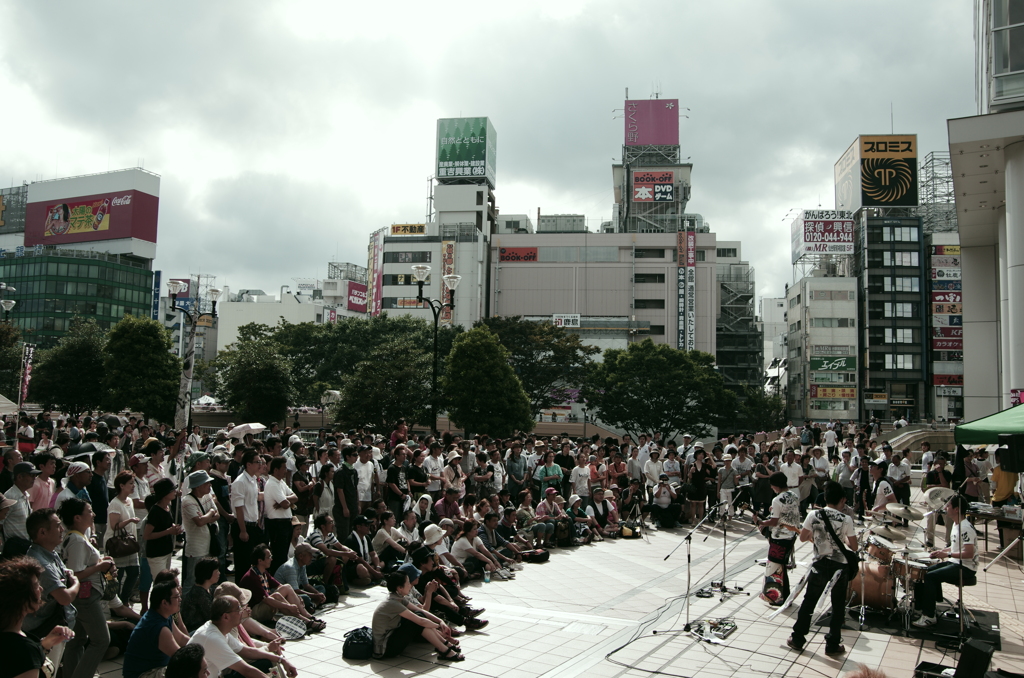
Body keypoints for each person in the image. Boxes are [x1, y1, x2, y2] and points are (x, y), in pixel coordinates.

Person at [787, 481, 856, 657]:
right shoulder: (846, 519)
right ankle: (832, 644)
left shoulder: (814, 515)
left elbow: (802, 538)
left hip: (819, 564)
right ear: (842, 499)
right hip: (840, 567)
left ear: (825, 498)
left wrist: (817, 537)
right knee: (838, 605)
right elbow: (853, 546)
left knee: (809, 601)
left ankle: (798, 638)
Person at [58, 498, 113, 678]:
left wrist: (99, 563)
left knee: (77, 641)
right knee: (101, 640)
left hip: (83, 597)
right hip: (86, 598)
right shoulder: (76, 541)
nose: (93, 514)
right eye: (89, 511)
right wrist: (99, 567)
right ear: (77, 518)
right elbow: (75, 574)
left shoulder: (76, 537)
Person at [0, 557, 75, 678]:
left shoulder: (10, 634)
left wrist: (44, 645)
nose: (41, 589)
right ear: (21, 598)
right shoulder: (24, 651)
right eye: (35, 585)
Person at [188, 595, 296, 678]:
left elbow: (248, 651)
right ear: (226, 616)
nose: (242, 612)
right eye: (238, 609)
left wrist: (282, 659)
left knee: (266, 661)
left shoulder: (219, 630)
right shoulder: (213, 638)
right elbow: (246, 670)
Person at [913, 495, 978, 628]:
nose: (945, 508)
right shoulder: (956, 524)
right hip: (956, 562)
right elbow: (956, 546)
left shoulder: (964, 528)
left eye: (948, 506)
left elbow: (969, 553)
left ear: (956, 509)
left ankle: (929, 616)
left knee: (931, 577)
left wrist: (947, 554)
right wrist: (942, 551)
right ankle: (928, 606)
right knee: (925, 571)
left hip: (966, 567)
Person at [371, 571, 464, 661]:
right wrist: (439, 626)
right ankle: (445, 650)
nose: (410, 586)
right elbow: (420, 621)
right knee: (416, 622)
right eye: (408, 583)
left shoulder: (397, 597)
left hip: (392, 636)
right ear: (400, 588)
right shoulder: (392, 603)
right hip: (385, 648)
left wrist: (441, 621)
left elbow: (421, 610)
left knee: (419, 615)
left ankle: (445, 645)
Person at [239, 543, 323, 631]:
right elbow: (267, 599)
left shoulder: (263, 572)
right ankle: (304, 620)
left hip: (264, 607)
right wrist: (288, 606)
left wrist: (297, 597)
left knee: (286, 588)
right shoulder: (252, 576)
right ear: (260, 561)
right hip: (252, 612)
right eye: (268, 557)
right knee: (277, 596)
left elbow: (282, 586)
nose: (271, 559)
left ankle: (306, 617)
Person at [122, 581, 192, 678]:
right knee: (187, 670)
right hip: (142, 674)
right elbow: (180, 657)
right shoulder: (158, 627)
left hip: (156, 668)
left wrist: (201, 647)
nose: (180, 599)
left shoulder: (164, 615)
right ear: (164, 602)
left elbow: (180, 638)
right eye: (176, 597)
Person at [756, 472, 800, 605]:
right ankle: (785, 596)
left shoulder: (777, 499)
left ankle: (776, 597)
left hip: (779, 537)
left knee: (774, 568)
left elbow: (774, 522)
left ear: (775, 485)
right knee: (781, 566)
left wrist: (761, 523)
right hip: (791, 535)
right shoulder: (794, 495)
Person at [106, 471, 141, 603]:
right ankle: (116, 602)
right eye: (130, 483)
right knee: (118, 575)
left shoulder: (130, 501)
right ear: (121, 485)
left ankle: (124, 598)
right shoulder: (115, 503)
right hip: (117, 544)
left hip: (129, 543)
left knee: (134, 572)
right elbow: (114, 525)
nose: (133, 486)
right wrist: (130, 520)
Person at [262, 458, 296, 574]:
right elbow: (286, 505)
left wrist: (284, 499)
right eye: (284, 468)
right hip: (277, 524)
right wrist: (285, 501)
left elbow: (295, 497)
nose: (285, 471)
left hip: (286, 522)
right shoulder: (272, 484)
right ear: (276, 470)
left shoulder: (281, 482)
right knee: (279, 555)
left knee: (284, 554)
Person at [144, 478, 182, 577]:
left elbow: (166, 525)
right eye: (172, 490)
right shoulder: (155, 511)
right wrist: (168, 531)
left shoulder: (168, 507)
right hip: (157, 553)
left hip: (167, 550)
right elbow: (147, 535)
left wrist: (174, 529)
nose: (175, 492)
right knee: (160, 582)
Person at [274, 543, 326, 612]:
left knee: (321, 588)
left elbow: (306, 584)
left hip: (296, 592)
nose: (312, 557)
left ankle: (313, 605)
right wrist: (314, 596)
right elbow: (295, 591)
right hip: (284, 597)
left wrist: (318, 594)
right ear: (301, 556)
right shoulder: (290, 567)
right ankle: (311, 604)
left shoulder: (303, 565)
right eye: (309, 554)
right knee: (306, 598)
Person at [2, 461, 40, 558]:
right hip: (14, 550)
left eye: (35, 475)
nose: (34, 478)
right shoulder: (11, 497)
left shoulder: (25, 495)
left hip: (25, 546)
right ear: (19, 477)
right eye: (31, 475)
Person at [181, 558, 220, 633]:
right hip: (195, 630)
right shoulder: (198, 593)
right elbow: (212, 616)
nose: (219, 573)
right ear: (208, 573)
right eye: (216, 571)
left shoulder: (210, 588)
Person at [343, 515, 384, 586]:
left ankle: (367, 578)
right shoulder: (351, 540)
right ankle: (356, 580)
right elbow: (360, 560)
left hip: (366, 565)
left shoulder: (367, 538)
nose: (368, 527)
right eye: (366, 525)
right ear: (358, 527)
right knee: (361, 569)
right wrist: (374, 572)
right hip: (353, 568)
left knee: (382, 563)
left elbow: (373, 554)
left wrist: (377, 567)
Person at [923, 455, 953, 548]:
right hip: (933, 500)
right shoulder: (930, 474)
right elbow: (928, 487)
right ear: (935, 464)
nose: (940, 466)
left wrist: (940, 473)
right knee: (930, 521)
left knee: (948, 521)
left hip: (944, 500)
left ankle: (949, 541)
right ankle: (930, 540)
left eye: (942, 464)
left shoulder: (947, 473)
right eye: (938, 464)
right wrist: (938, 486)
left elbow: (946, 486)